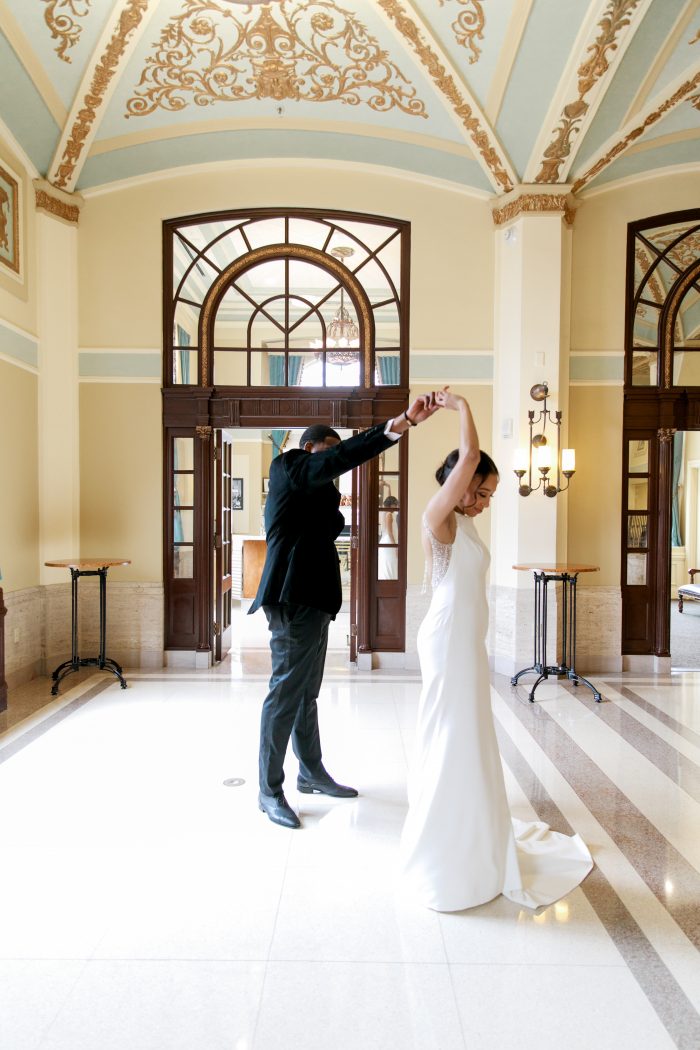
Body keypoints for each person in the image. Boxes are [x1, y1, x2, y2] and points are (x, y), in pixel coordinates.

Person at [400, 389, 592, 911]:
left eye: (488, 495)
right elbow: (466, 459)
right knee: (451, 729)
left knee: (469, 731)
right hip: (446, 640)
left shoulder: (463, 524)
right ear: (459, 486)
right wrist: (461, 407)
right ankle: (448, 847)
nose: (485, 503)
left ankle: (473, 832)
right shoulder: (437, 518)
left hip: (465, 641)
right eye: (480, 492)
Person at [251, 394, 440, 829]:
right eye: (329, 453)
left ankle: (311, 772)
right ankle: (268, 789)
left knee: (305, 693)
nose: (335, 464)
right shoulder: (289, 467)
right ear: (309, 449)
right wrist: (402, 422)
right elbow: (338, 460)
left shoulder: (318, 495)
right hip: (291, 598)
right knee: (284, 693)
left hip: (316, 603)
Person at [378, 495, 399, 580]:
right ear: (391, 505)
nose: (396, 506)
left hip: (386, 541)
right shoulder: (389, 514)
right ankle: (390, 582)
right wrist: (395, 546)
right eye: (395, 504)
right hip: (389, 542)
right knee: (390, 563)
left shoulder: (385, 513)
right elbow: (390, 532)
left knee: (387, 563)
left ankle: (388, 584)